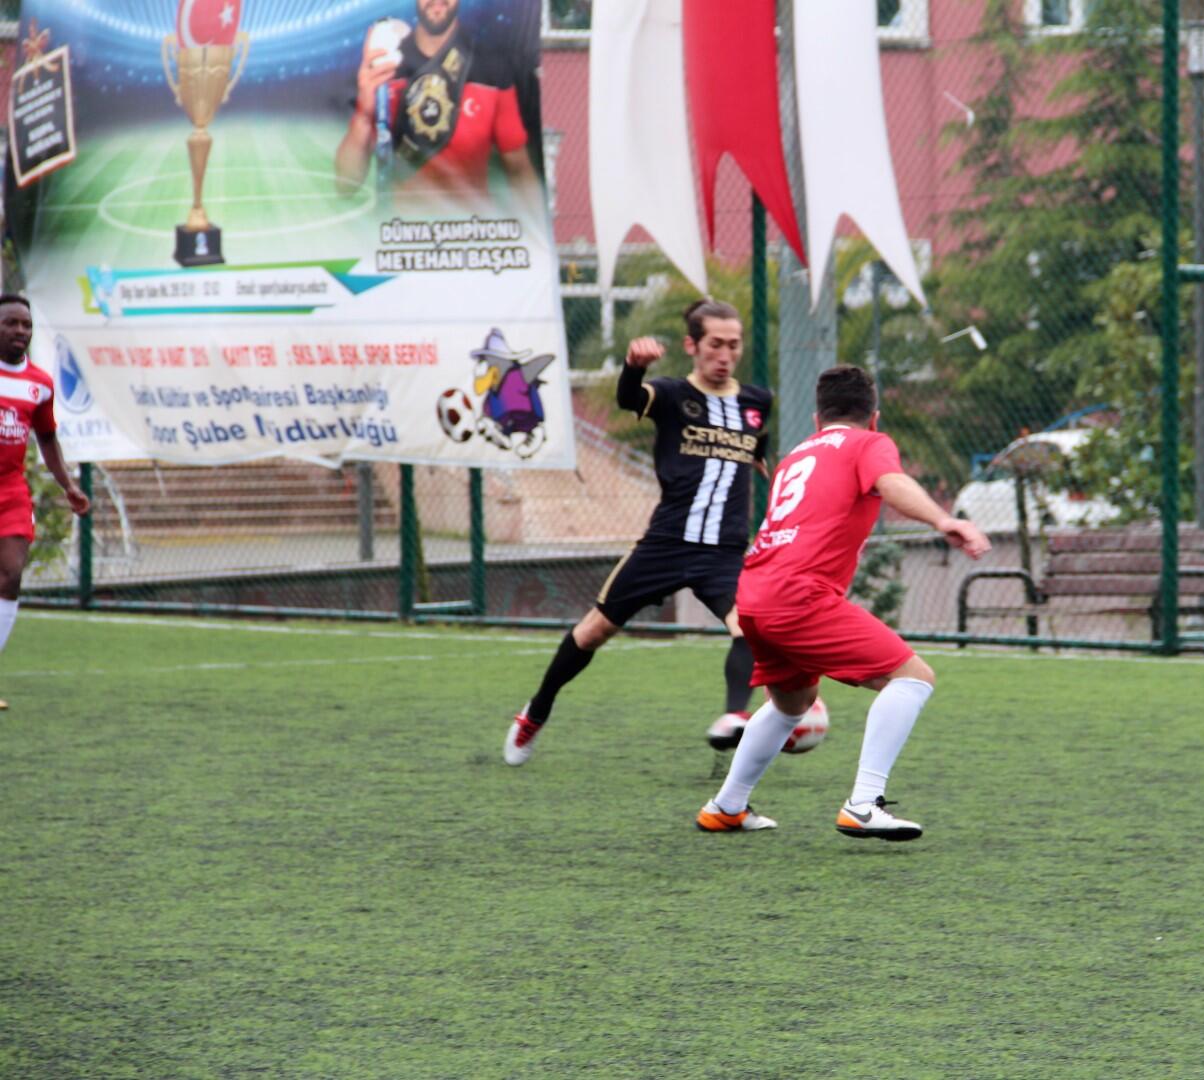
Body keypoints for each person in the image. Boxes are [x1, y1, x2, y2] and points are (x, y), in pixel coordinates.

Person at [696, 365, 991, 840]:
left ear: (818, 420)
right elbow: (891, 482)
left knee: (792, 704)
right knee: (913, 678)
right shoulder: (868, 443)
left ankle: (726, 807)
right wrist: (944, 520)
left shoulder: (796, 455)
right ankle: (864, 803)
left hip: (752, 594)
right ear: (874, 417)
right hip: (799, 595)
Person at [504, 299, 772, 765]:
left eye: (734, 345)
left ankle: (734, 716)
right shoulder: (670, 394)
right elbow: (630, 399)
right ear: (692, 346)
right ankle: (537, 710)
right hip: (665, 545)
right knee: (594, 631)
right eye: (715, 344)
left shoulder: (756, 402)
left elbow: (756, 442)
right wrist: (632, 367)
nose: (725, 354)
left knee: (747, 626)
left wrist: (761, 457)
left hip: (724, 552)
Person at [334, 0, 544, 203]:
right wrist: (364, 115)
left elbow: (519, 171)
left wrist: (536, 226)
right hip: (400, 225)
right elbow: (345, 186)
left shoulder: (491, 68)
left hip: (472, 224)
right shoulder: (386, 68)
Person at [0, 295, 91, 707]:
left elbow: (48, 438)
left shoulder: (39, 383)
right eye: (11, 323)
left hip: (10, 491)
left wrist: (68, 485)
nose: (21, 331)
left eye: (26, 325)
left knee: (10, 575)